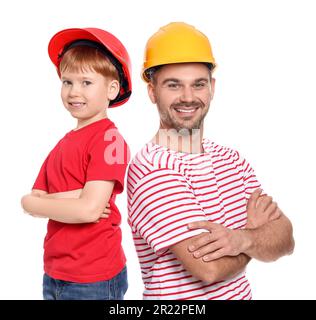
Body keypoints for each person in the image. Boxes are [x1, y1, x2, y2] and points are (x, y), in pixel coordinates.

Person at [127, 22, 294, 300]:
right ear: (152, 91)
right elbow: (209, 269)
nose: (188, 97)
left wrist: (241, 239)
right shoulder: (152, 170)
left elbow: (286, 239)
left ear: (212, 88)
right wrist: (255, 233)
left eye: (198, 84)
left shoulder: (231, 159)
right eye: (173, 85)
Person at [21, 27, 132, 300]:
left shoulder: (110, 140)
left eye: (86, 82)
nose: (73, 91)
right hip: (54, 272)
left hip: (94, 277)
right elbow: (29, 201)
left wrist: (46, 204)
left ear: (112, 89)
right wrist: (76, 196)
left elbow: (88, 211)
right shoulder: (62, 144)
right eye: (67, 82)